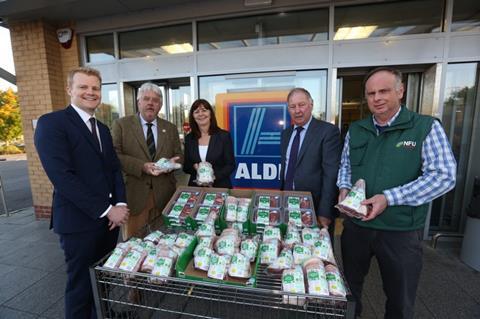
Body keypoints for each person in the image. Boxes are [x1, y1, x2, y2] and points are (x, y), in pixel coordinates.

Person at [337, 67, 457, 319]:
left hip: (400, 231)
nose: (377, 98)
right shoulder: (357, 129)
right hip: (357, 227)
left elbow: (443, 176)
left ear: (400, 91)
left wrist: (389, 198)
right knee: (349, 290)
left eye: (384, 91)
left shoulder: (424, 127)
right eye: (371, 93)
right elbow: (346, 166)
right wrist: (344, 189)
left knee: (400, 298)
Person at [34, 67, 129, 318]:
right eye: (83, 87)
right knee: (80, 287)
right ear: (69, 90)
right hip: (79, 223)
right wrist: (108, 210)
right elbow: (63, 178)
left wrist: (120, 204)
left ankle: (105, 313)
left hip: (109, 223)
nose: (90, 92)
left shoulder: (103, 129)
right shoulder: (51, 123)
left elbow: (114, 171)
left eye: (95, 88)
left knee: (103, 278)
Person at [112, 82, 182, 239]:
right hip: (135, 196)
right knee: (134, 243)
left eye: (155, 100)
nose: (151, 103)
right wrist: (141, 166)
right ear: (138, 102)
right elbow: (114, 156)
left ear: (161, 105)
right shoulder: (122, 125)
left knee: (163, 241)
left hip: (164, 196)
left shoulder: (170, 128)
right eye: (146, 99)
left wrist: (171, 165)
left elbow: (179, 155)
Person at [280, 88, 341, 229]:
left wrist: (325, 212)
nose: (297, 110)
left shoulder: (327, 132)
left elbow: (331, 174)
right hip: (288, 204)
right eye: (292, 106)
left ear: (311, 104)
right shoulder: (285, 134)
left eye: (301, 105)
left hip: (315, 207)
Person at [183, 99, 235, 188]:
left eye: (204, 110)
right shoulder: (189, 138)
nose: (200, 114)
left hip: (219, 186)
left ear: (210, 114)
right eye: (196, 112)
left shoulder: (223, 136)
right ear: (193, 116)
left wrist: (213, 177)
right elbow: (186, 166)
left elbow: (230, 165)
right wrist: (195, 167)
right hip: (196, 188)